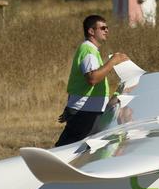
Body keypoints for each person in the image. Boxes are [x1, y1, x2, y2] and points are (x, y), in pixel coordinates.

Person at [55, 14, 129, 147]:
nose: (107, 30)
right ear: (91, 31)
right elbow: (92, 79)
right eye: (103, 28)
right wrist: (112, 62)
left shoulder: (92, 50)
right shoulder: (88, 50)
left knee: (78, 150)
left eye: (107, 28)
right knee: (67, 151)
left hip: (87, 111)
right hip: (84, 112)